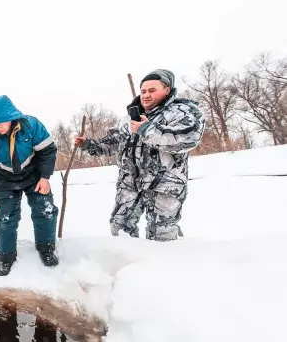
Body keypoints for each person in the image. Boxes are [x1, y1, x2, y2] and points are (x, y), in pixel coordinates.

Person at [75, 70, 205, 241]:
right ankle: (128, 258)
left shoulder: (183, 112)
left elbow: (187, 139)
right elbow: (115, 141)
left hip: (165, 184)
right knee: (120, 228)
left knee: (161, 235)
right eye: (143, 91)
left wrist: (146, 130)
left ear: (167, 90)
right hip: (129, 183)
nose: (146, 95)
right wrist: (90, 145)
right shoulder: (130, 117)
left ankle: (163, 259)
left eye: (152, 90)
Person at [0, 95, 59, 276]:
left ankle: (46, 249)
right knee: (6, 218)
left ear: (11, 117)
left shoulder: (30, 126)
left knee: (45, 209)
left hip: (33, 173)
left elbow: (48, 151)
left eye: (1, 123)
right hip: (5, 178)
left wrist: (45, 177)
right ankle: (6, 257)